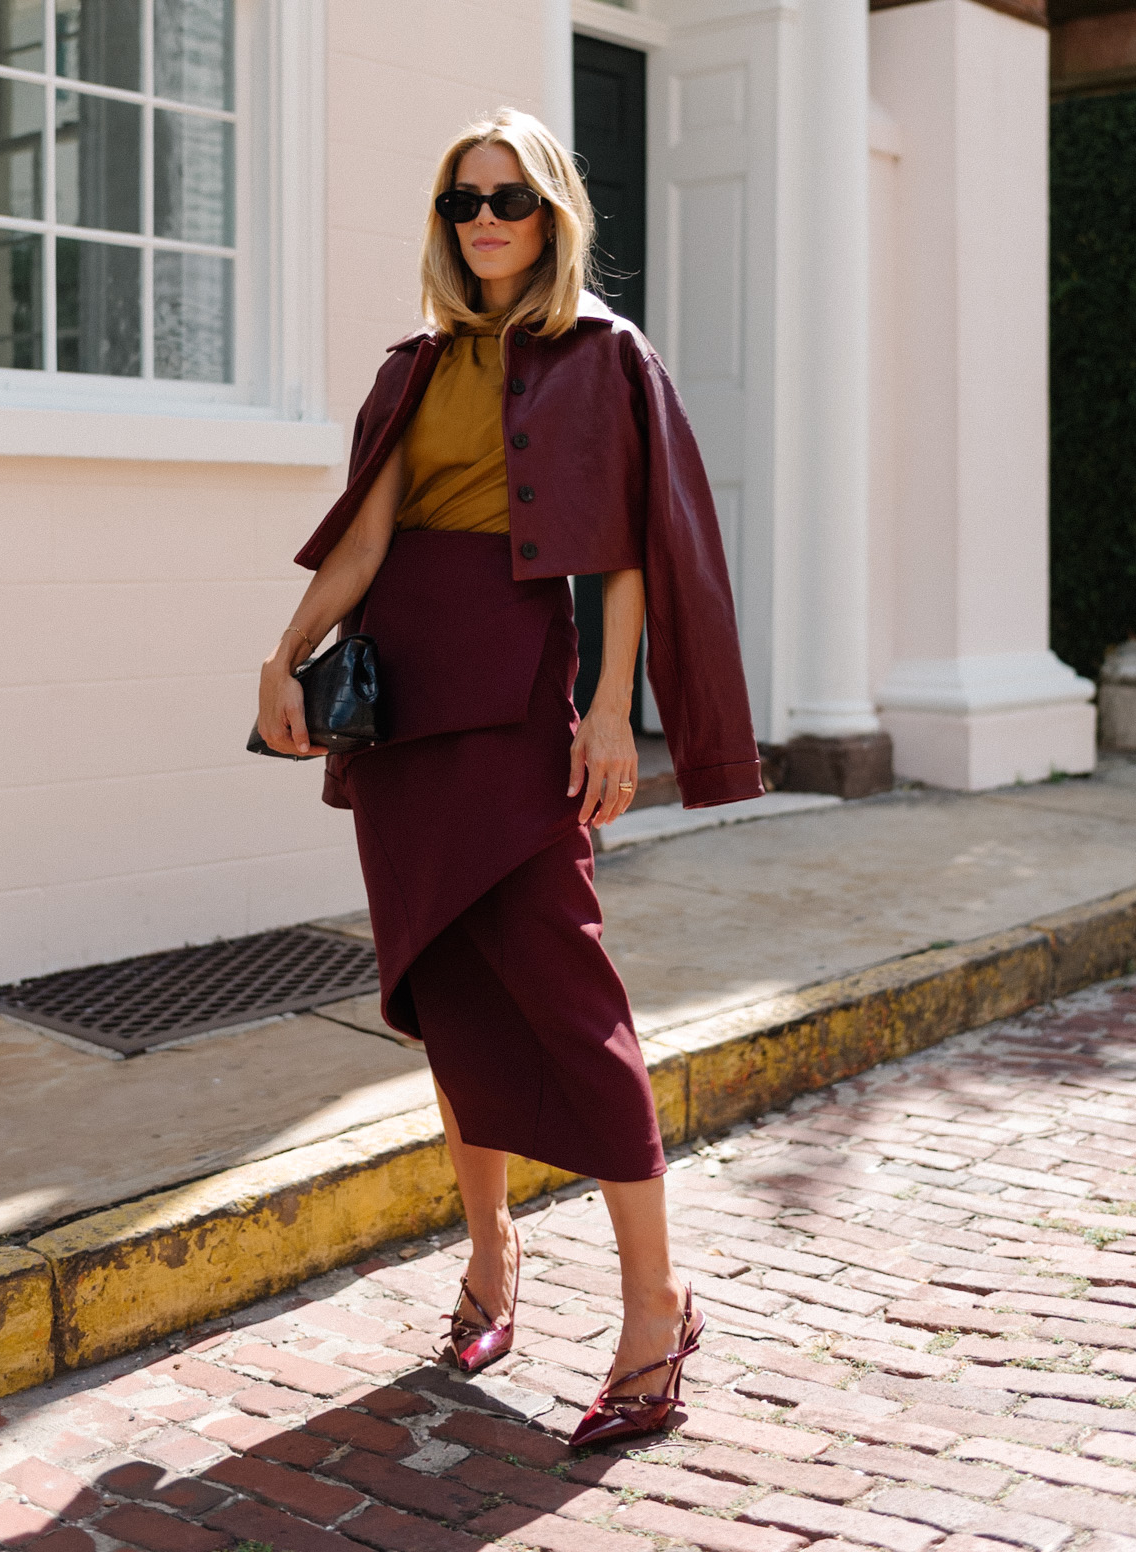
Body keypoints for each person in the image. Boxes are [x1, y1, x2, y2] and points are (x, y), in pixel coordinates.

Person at [257, 108, 763, 1446]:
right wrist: (284, 655)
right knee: (442, 984)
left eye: (510, 200)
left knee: (568, 995)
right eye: (462, 203)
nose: (485, 221)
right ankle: (491, 1262)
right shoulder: (411, 368)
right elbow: (366, 541)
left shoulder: (602, 356)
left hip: (524, 698)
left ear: (552, 213)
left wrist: (611, 710)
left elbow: (632, 552)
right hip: (405, 711)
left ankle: (657, 1307)